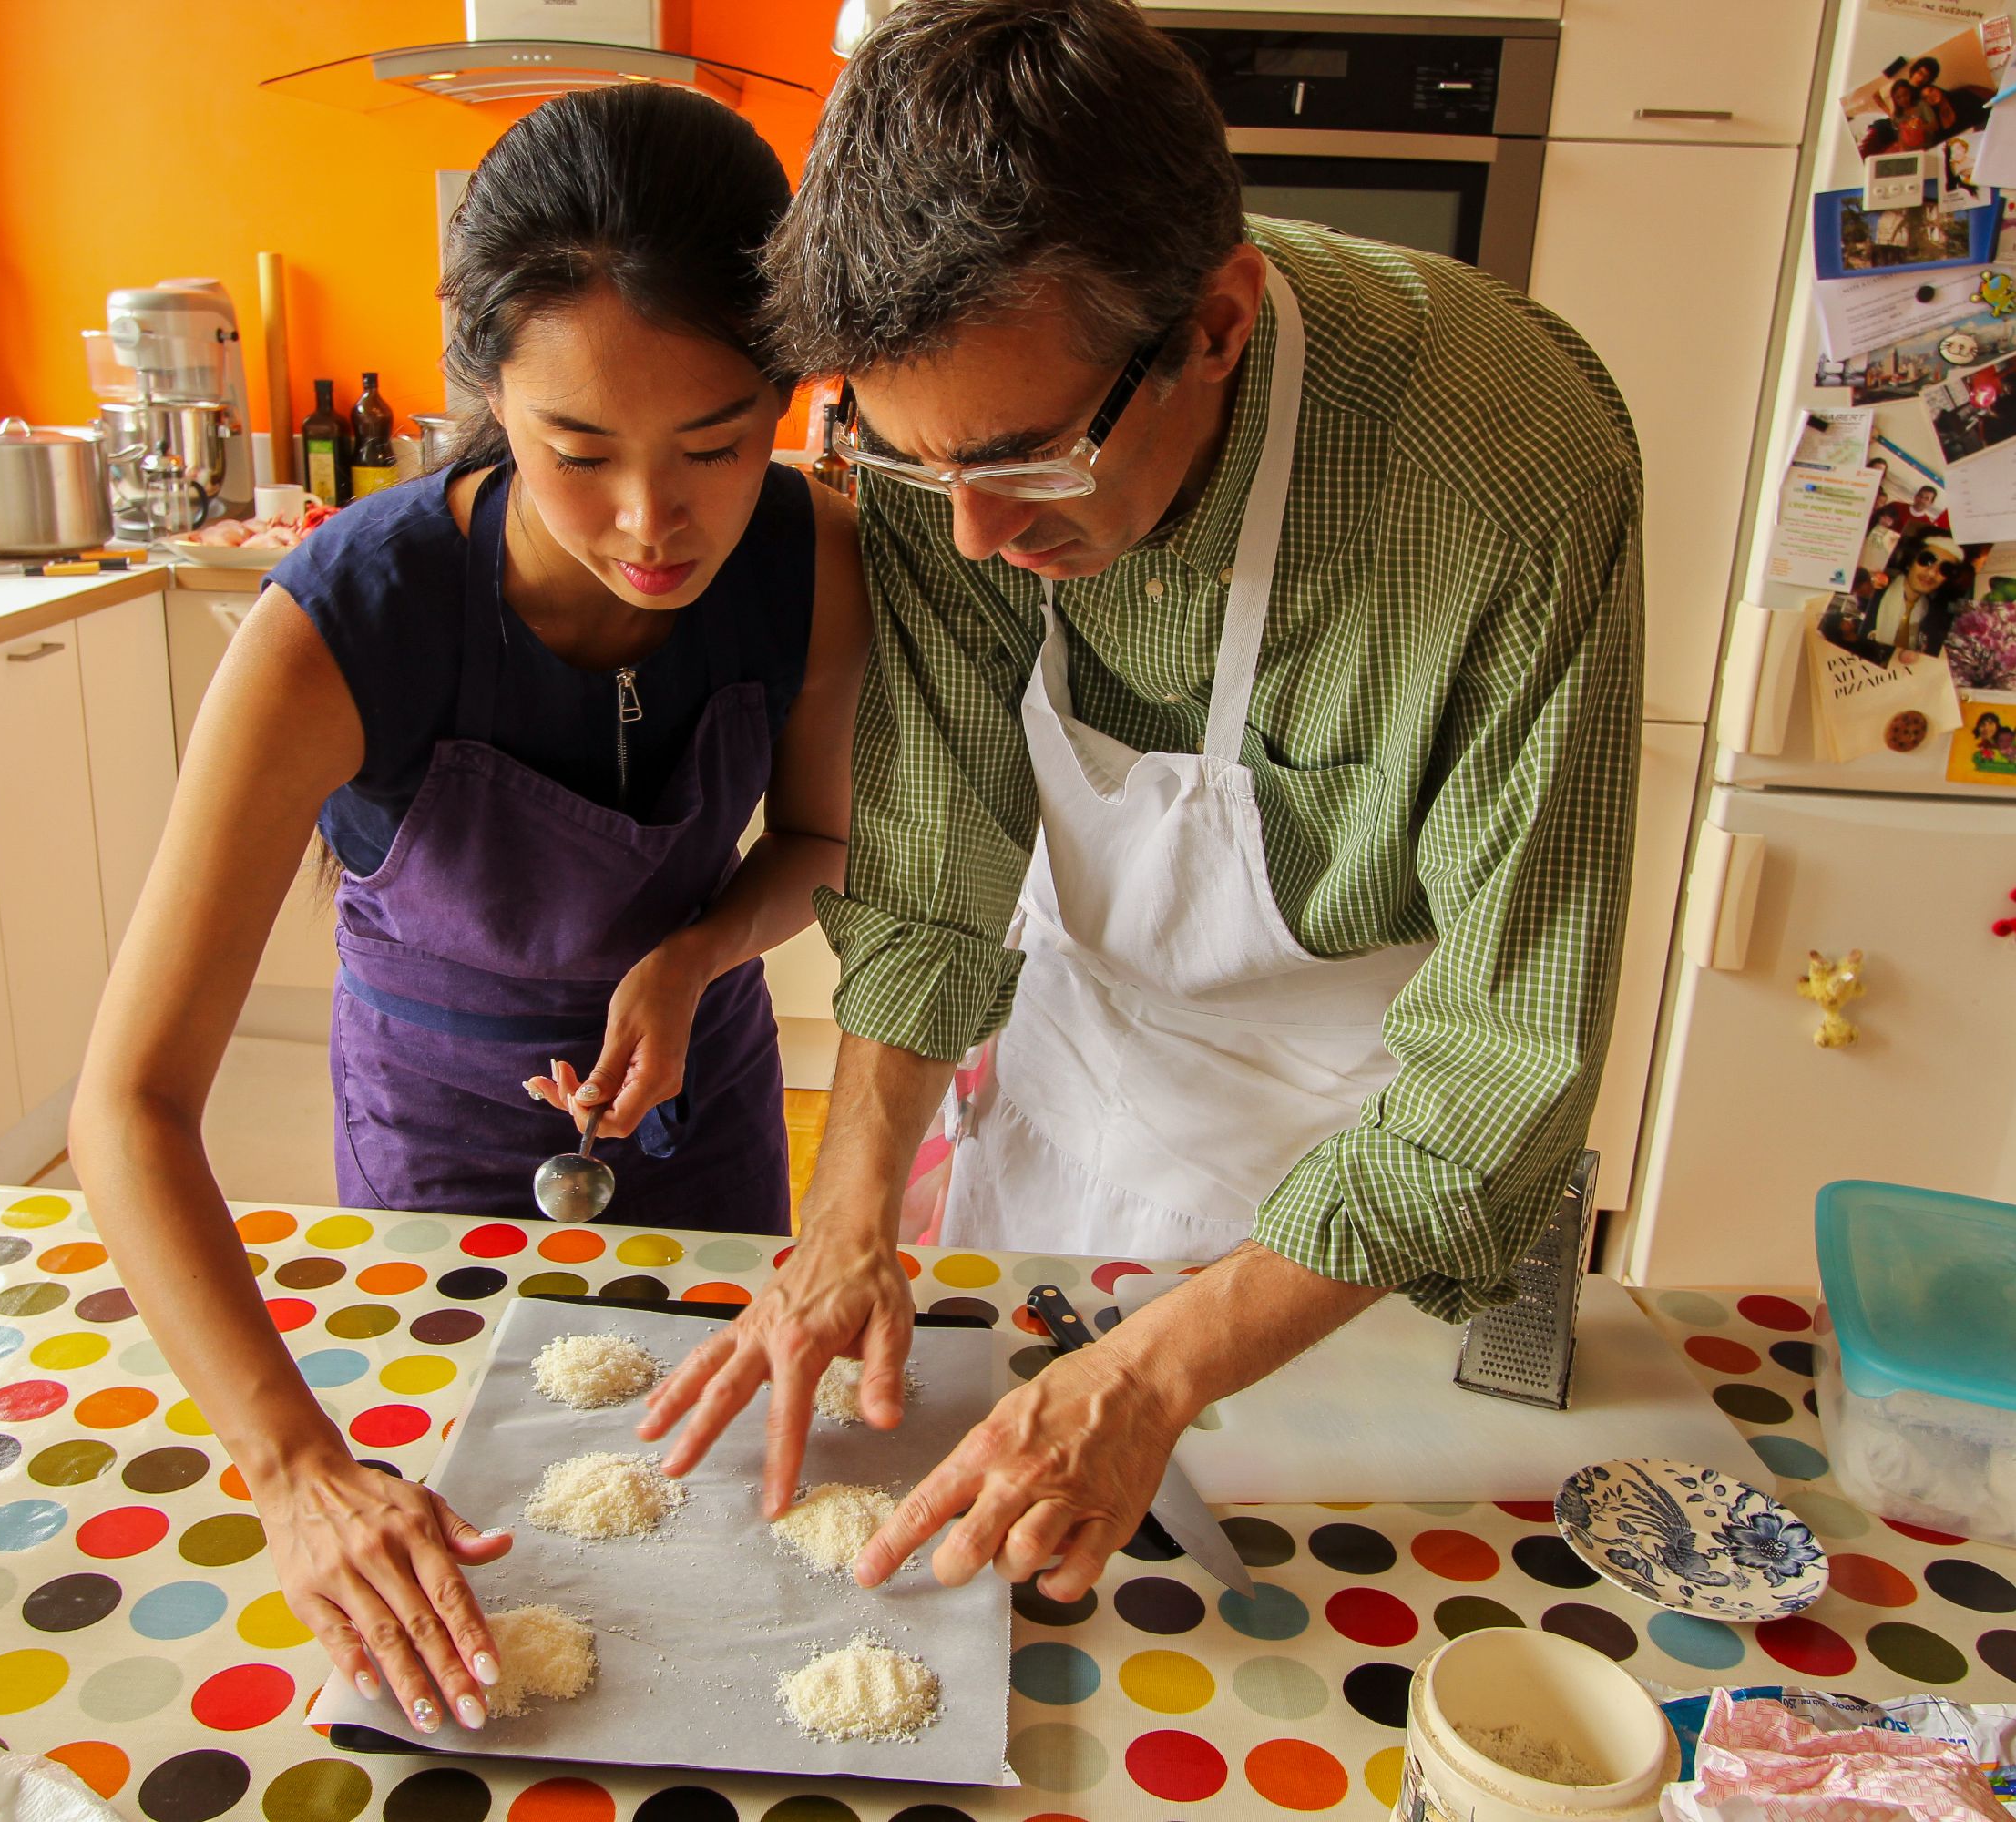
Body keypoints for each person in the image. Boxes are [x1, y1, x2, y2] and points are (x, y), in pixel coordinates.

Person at [639, 0, 1642, 1604]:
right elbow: (939, 850)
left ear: (1219, 323)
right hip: (1068, 1073)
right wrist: (843, 1214)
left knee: (1291, 1643)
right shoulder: (952, 435)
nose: (965, 537)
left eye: (1026, 465)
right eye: (911, 471)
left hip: (1360, 1185)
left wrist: (1160, 1375)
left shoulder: (1503, 478)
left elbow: (1509, 1049)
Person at [67, 86, 866, 1734]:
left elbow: (825, 839)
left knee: (721, 1534)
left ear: (789, 392)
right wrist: (294, 1470)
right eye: (578, 452)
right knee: (466, 1578)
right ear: (488, 394)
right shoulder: (338, 631)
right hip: (431, 1145)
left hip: (699, 1109)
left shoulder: (815, 564)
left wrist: (700, 948)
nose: (657, 524)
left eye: (720, 444)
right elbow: (125, 1108)